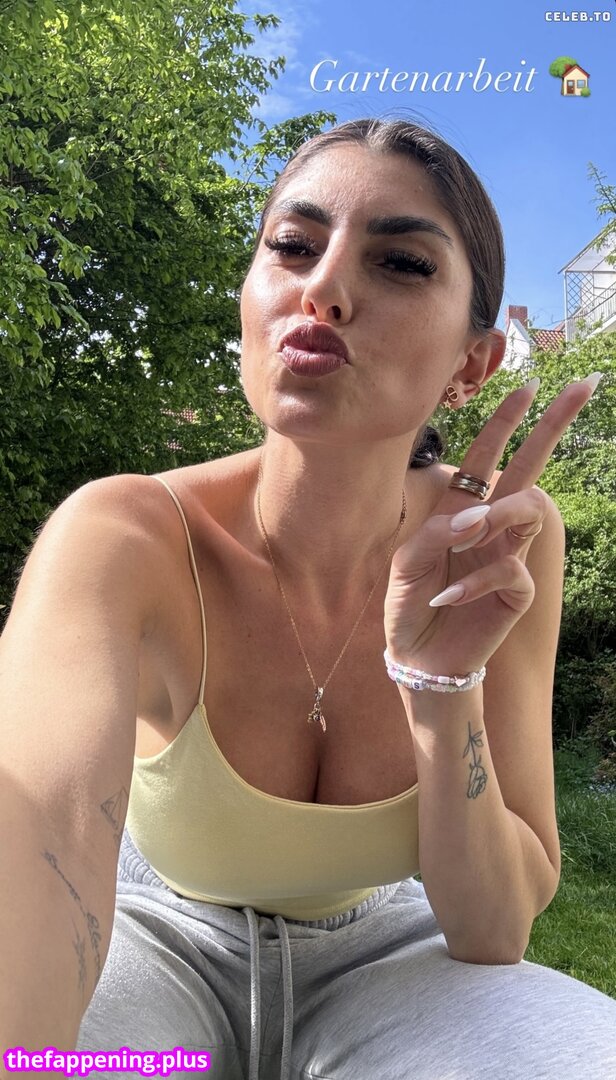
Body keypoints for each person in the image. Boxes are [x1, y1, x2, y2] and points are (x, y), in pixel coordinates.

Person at [1, 117, 615, 1080]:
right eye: (292, 245)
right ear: (248, 298)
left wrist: (441, 687)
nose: (322, 287)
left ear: (473, 364)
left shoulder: (498, 547)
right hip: (153, 934)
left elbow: (493, 931)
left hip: (389, 957)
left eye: (401, 263)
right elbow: (41, 839)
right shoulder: (123, 538)